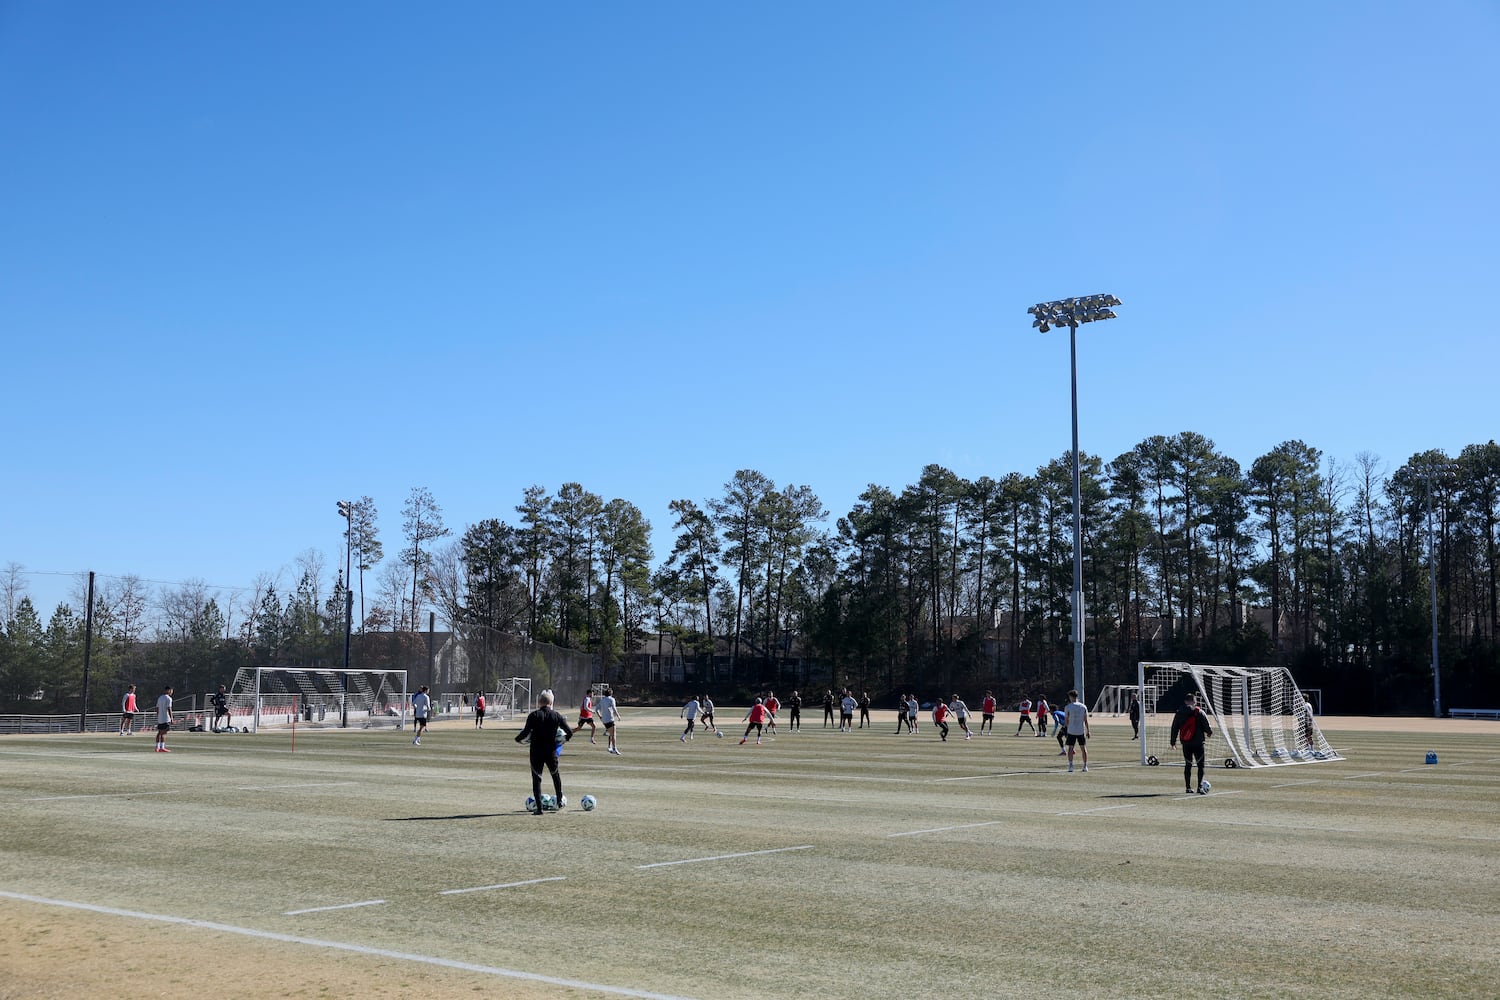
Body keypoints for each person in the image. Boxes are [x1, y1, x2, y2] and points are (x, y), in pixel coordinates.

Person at [515, 689, 572, 815]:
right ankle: (559, 800)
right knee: (555, 776)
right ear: (551, 702)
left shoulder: (533, 715)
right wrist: (564, 740)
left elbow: (525, 732)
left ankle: (539, 809)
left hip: (536, 752)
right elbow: (569, 732)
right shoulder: (557, 715)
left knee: (537, 779)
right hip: (551, 752)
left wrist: (518, 740)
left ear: (539, 702)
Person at [1170, 692, 1214, 794]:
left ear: (1185, 701)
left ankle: (1188, 787)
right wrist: (1209, 732)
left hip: (1186, 743)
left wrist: (1173, 742)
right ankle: (1200, 787)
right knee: (1200, 765)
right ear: (1195, 701)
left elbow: (1174, 728)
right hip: (1198, 743)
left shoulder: (1179, 712)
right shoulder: (1199, 712)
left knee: (1188, 765)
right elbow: (1207, 726)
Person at [1063, 689, 1091, 773]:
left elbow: (1066, 720)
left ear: (1071, 697)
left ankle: (1071, 766)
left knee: (1070, 749)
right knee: (1083, 748)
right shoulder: (1083, 706)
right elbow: (1085, 720)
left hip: (1071, 730)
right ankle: (1085, 766)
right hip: (1080, 730)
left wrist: (1066, 729)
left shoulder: (1068, 707)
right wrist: (1088, 731)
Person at [598, 686, 622, 755]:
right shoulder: (612, 699)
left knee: (611, 733)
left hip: (604, 720)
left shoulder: (602, 700)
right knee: (614, 734)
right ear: (611, 693)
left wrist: (600, 716)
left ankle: (609, 747)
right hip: (610, 719)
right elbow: (614, 708)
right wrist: (618, 716)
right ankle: (614, 748)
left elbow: (597, 709)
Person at [154, 685, 174, 753]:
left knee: (159, 732)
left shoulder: (160, 698)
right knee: (164, 733)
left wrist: (158, 716)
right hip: (166, 718)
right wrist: (171, 718)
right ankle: (162, 747)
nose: (172, 692)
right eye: (171, 690)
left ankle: (157, 747)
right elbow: (169, 708)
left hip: (160, 718)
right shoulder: (169, 698)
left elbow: (157, 708)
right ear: (168, 690)